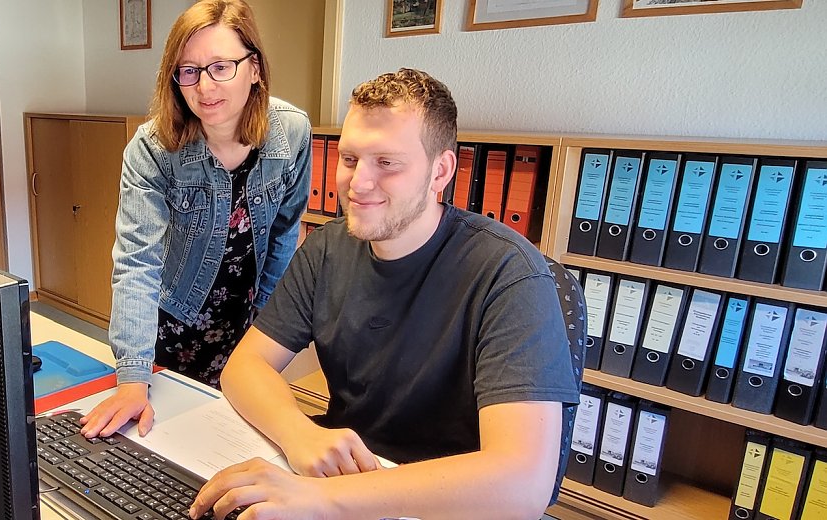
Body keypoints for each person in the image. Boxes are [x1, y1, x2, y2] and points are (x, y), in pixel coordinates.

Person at [189, 67, 579, 520]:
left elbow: (524, 483)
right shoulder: (328, 248)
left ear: (440, 171)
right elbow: (245, 366)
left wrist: (324, 499)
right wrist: (300, 434)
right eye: (350, 159)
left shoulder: (509, 274)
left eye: (387, 163)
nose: (358, 183)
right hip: (347, 483)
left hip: (444, 505)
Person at [80, 0, 311, 440]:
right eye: (188, 71)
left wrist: (265, 322)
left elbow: (285, 233)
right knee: (169, 443)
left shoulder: (292, 132)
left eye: (221, 67)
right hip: (172, 324)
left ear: (254, 68)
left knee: (236, 443)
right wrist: (133, 377)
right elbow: (137, 262)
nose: (204, 87)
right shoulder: (152, 149)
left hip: (247, 325)